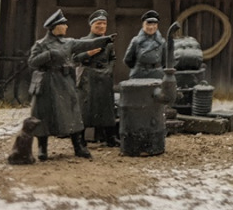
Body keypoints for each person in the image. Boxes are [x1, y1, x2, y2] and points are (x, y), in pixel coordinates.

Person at [28, 9, 114, 160]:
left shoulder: (68, 43)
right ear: (56, 26)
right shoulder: (41, 44)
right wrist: (48, 55)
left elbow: (86, 43)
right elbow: (32, 62)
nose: (66, 27)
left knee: (73, 113)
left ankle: (78, 147)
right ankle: (42, 148)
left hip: (65, 81)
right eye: (64, 24)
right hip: (47, 83)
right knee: (44, 116)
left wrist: (105, 40)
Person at [73, 9, 118, 148]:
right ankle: (81, 140)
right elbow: (74, 58)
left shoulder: (108, 43)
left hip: (104, 78)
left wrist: (109, 70)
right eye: (98, 24)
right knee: (85, 109)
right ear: (91, 25)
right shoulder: (83, 41)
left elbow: (112, 59)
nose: (101, 27)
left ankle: (110, 137)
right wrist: (88, 53)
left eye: (104, 24)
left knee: (107, 108)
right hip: (88, 77)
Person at [124, 10, 166, 79]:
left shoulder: (162, 42)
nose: (151, 27)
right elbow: (128, 60)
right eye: (148, 24)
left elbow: (165, 62)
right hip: (139, 74)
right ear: (143, 25)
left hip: (157, 74)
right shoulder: (136, 41)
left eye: (154, 24)